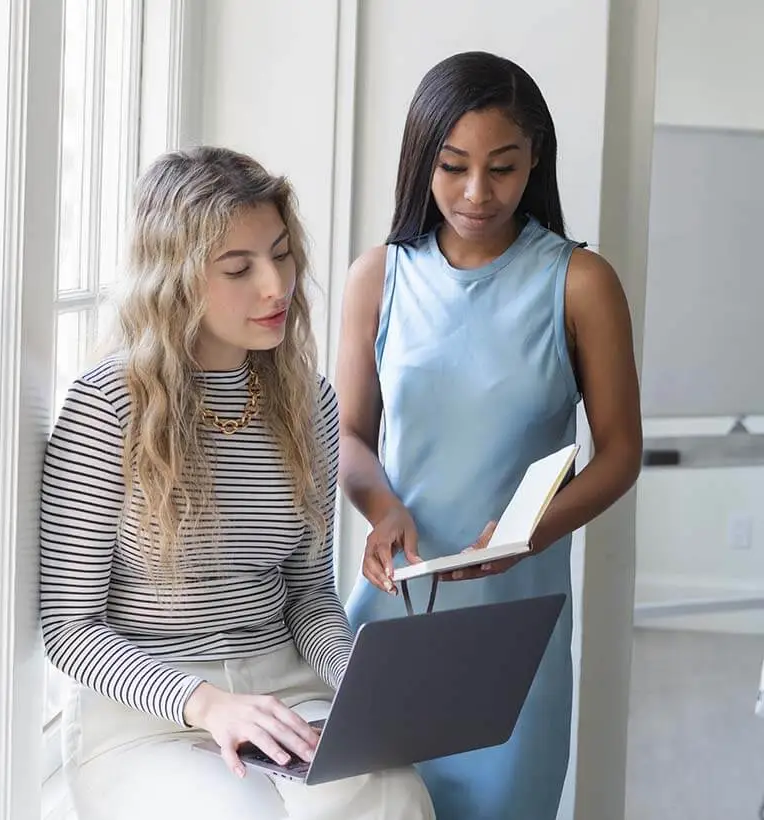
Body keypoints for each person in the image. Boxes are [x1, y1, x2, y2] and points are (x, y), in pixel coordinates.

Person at [40, 146, 434, 820]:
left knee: (396, 795)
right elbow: (69, 627)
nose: (275, 286)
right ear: (177, 280)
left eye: (281, 255)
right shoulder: (106, 405)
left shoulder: (310, 402)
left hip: (287, 689)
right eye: (238, 267)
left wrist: (360, 686)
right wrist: (205, 702)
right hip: (145, 714)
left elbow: (307, 593)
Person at [336, 52, 642, 820]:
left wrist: (527, 532)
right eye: (453, 166)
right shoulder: (379, 276)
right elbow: (346, 435)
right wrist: (384, 511)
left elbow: (620, 454)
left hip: (517, 635)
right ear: (421, 160)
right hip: (396, 622)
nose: (477, 193)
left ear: (534, 158)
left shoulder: (580, 282)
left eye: (502, 168)